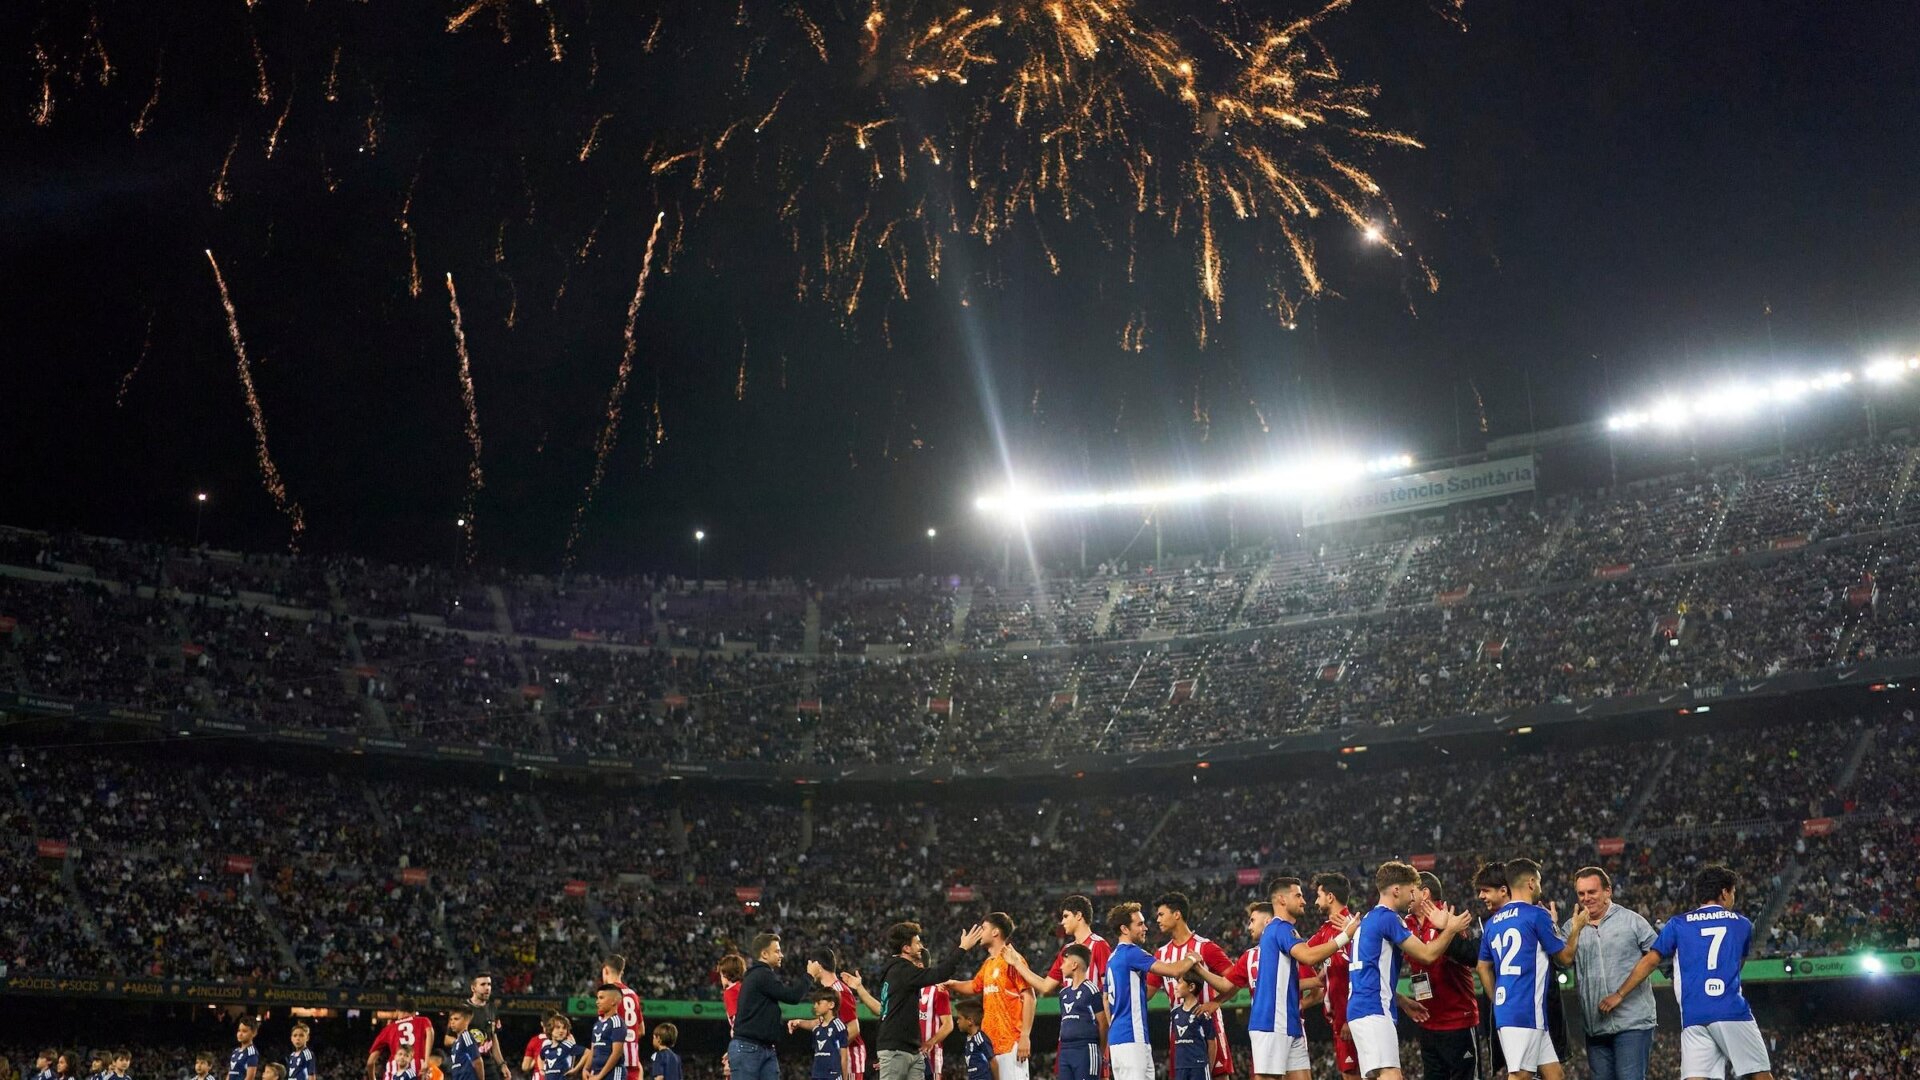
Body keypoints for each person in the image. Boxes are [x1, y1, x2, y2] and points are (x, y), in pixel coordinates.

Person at [1600, 864, 1775, 1080]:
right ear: (1724, 892)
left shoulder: (1677, 924)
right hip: (1730, 1011)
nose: (1733, 898)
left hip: (1693, 1015)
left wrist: (1620, 994)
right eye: (1733, 893)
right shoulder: (1743, 925)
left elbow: (1650, 962)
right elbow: (1737, 965)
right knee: (1760, 1075)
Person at [1346, 861, 1472, 1080]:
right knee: (1391, 1075)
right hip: (1374, 1010)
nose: (1413, 896)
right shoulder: (1389, 918)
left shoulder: (1369, 919)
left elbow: (1370, 976)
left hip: (1361, 1009)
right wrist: (1450, 929)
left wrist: (1402, 1001)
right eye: (1411, 890)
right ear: (1397, 890)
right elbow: (1427, 955)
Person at [1477, 858, 1589, 1080]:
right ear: (1530, 883)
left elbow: (1482, 967)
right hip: (1524, 1011)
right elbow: (1566, 958)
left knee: (1555, 1075)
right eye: (1539, 882)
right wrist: (1576, 928)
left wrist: (1498, 1000)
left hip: (1520, 1011)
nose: (1540, 887)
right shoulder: (1537, 915)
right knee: (1520, 1076)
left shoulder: (1492, 922)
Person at [1247, 875, 1353, 1080]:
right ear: (1282, 899)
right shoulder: (1279, 928)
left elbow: (1285, 980)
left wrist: (1320, 979)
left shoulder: (1285, 931)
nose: (1304, 901)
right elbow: (1308, 956)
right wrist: (1346, 936)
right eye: (1298, 895)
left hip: (1290, 1022)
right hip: (1271, 1022)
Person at [1564, 867, 1657, 1080]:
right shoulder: (1572, 926)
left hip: (1632, 1022)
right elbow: (1561, 963)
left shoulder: (1632, 921)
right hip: (1595, 1027)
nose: (1586, 898)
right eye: (1581, 894)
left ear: (1608, 891)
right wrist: (1573, 931)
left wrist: (1620, 994)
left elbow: (1656, 957)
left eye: (1592, 892)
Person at [866, 920, 985, 1080]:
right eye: (917, 942)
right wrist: (962, 948)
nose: (921, 946)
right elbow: (939, 974)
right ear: (906, 948)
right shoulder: (902, 970)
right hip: (896, 1049)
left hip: (910, 1049)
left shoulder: (898, 971)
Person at [1104, 902, 1200, 1080]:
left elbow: (1105, 999)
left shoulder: (1112, 958)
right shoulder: (1132, 953)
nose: (1146, 928)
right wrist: (1192, 958)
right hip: (1131, 1038)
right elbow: (1174, 971)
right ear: (1125, 929)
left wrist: (1116, 1027)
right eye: (1140, 924)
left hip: (1123, 1037)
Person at [1406, 872, 1485, 1080]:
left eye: (1410, 890)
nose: (1405, 895)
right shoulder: (1407, 924)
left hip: (1457, 1021)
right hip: (1427, 1022)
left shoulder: (1449, 919)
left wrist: (1447, 929)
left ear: (1425, 893)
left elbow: (1471, 957)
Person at [1148, 893, 1233, 1080]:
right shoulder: (1161, 955)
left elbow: (1236, 980)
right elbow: (1147, 993)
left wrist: (1216, 1003)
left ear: (1176, 914)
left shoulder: (1206, 947)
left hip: (1209, 1027)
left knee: (1218, 1076)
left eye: (1161, 914)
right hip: (1180, 1033)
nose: (1157, 919)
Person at [945, 913, 1035, 1080]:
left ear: (995, 932)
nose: (981, 933)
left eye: (984, 928)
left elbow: (1030, 997)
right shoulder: (988, 963)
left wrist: (1025, 1036)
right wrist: (952, 984)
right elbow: (974, 986)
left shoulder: (1013, 960)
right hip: (990, 1045)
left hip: (1010, 1044)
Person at [732, 933, 822, 1080]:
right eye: (777, 951)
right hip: (749, 1048)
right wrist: (809, 975)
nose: (781, 955)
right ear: (764, 954)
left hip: (761, 1047)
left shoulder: (760, 975)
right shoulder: (761, 975)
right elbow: (792, 996)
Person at [1299, 873, 1358, 1080]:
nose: (1315, 901)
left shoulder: (1353, 929)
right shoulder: (1326, 930)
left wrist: (1351, 1019)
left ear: (1330, 897)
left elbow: (1361, 976)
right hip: (1337, 1022)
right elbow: (1303, 953)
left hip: (1352, 1021)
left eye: (1318, 895)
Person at [807, 948, 865, 1079]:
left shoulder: (839, 991)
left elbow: (854, 1029)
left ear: (818, 966)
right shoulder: (828, 993)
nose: (808, 969)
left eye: (810, 964)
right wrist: (799, 1022)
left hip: (849, 1057)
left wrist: (830, 1050)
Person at [1052, 944, 1107, 1080]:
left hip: (1086, 1048)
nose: (1061, 966)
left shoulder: (1091, 990)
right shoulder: (1063, 993)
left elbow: (1103, 1023)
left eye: (1064, 962)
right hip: (1065, 1050)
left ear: (1074, 964)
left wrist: (1100, 1050)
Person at [456, 974, 511, 1080]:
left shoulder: (492, 1008)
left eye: (489, 984)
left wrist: (502, 1064)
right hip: (469, 1064)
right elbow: (448, 1039)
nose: (487, 988)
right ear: (473, 988)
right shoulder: (463, 1009)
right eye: (483, 984)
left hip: (489, 1065)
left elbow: (493, 1039)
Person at [603, 955, 649, 1076]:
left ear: (606, 970)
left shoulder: (607, 994)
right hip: (632, 1060)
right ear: (621, 972)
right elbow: (641, 1030)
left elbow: (602, 1033)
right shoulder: (633, 994)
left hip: (613, 1062)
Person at [370, 1001, 436, 1080]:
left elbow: (370, 1062)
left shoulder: (389, 1028)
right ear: (414, 1013)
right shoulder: (423, 1020)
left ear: (398, 1011)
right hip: (418, 1066)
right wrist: (426, 1061)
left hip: (395, 1067)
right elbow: (430, 1032)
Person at [794, 989, 851, 1080]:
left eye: (818, 1003)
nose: (815, 1006)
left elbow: (844, 1057)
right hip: (817, 1075)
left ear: (831, 1005)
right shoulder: (817, 1029)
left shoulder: (839, 1027)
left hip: (833, 1076)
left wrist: (845, 1078)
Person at [1170, 971, 1215, 1080]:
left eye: (1179, 983)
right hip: (1180, 1067)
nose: (1176, 987)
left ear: (1191, 987)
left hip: (1198, 1066)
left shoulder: (1202, 1012)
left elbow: (1212, 1043)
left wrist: (1208, 1067)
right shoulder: (1175, 1012)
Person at [587, 985, 629, 1080]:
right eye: (597, 998)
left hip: (613, 1073)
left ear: (614, 1001)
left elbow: (616, 1053)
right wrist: (586, 1068)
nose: (597, 1002)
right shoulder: (597, 1024)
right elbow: (593, 1049)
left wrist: (600, 1076)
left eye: (601, 998)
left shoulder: (617, 1023)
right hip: (596, 1072)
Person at [915, 982, 953, 1080]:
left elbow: (948, 1025)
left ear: (920, 965)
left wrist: (930, 1042)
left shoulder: (938, 990)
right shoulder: (905, 990)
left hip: (930, 1054)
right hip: (908, 1054)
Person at [954, 1000, 995, 1080]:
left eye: (959, 1018)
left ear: (970, 1021)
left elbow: (993, 1062)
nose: (957, 1022)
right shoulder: (969, 1039)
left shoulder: (980, 1038)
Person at [448, 1006, 487, 1080]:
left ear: (467, 1020)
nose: (452, 1022)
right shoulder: (456, 1042)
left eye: (456, 1019)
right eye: (451, 1019)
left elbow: (477, 1061)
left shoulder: (466, 1037)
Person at [537, 1015, 580, 1080]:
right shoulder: (546, 1043)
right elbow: (540, 1057)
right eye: (557, 1027)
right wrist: (541, 1070)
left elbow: (581, 1054)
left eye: (563, 1028)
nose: (561, 1030)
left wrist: (574, 1069)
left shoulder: (568, 1042)